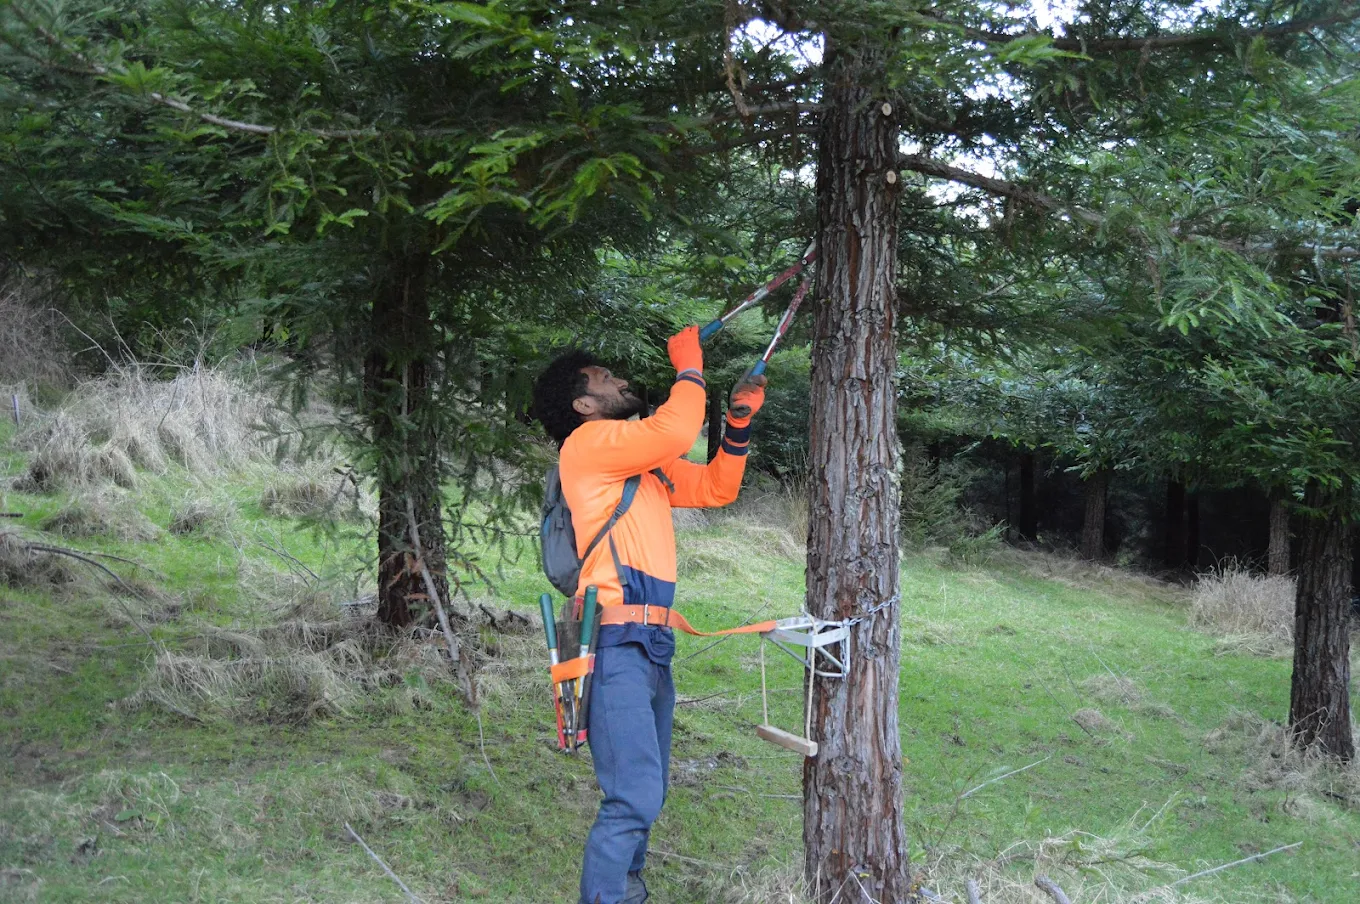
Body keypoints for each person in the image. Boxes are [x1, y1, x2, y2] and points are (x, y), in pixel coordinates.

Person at [531, 325, 767, 904]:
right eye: (605, 380)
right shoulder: (586, 447)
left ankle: (628, 893)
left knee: (648, 791)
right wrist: (689, 367)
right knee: (634, 797)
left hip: (652, 647)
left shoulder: (641, 465)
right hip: (614, 646)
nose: (620, 382)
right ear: (584, 405)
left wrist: (736, 427)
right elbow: (677, 426)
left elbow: (715, 488)